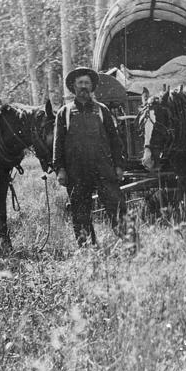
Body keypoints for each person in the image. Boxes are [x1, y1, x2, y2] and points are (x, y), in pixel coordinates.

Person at [53, 66, 125, 245]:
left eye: (87, 83)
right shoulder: (65, 112)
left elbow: (115, 141)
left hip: (103, 169)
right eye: (80, 83)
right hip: (76, 171)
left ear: (92, 87)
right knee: (80, 211)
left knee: (116, 206)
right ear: (74, 87)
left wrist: (118, 165)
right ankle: (86, 248)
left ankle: (130, 244)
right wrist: (60, 169)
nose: (83, 86)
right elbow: (58, 144)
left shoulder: (102, 110)